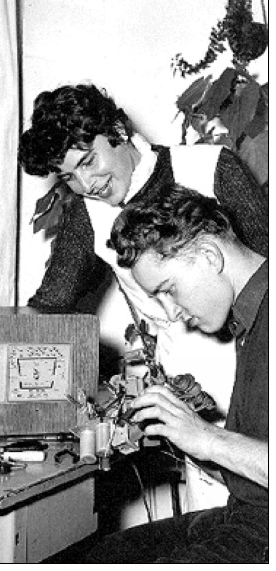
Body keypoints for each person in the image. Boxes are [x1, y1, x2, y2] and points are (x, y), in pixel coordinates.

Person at [19, 83, 268, 510]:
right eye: (68, 177)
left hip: (261, 375)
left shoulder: (210, 167)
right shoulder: (89, 215)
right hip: (191, 398)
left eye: (88, 161)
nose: (86, 184)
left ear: (117, 131)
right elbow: (50, 305)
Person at [84, 183, 268, 564]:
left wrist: (206, 438)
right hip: (245, 516)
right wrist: (176, 431)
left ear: (209, 255)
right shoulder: (251, 318)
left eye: (169, 289)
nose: (171, 313)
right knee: (105, 556)